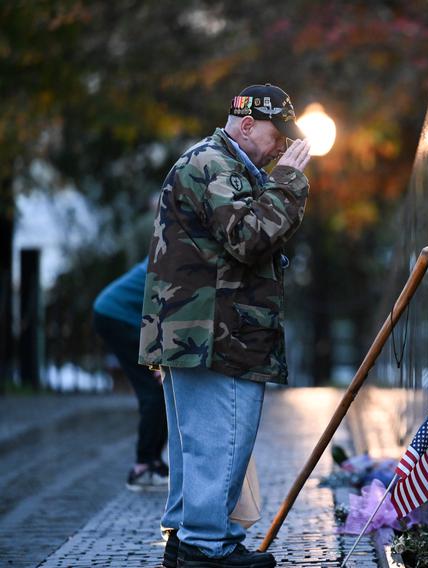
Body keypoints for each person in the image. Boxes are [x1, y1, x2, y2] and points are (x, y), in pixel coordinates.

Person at [139, 83, 312, 568]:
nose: (283, 147)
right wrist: (291, 181)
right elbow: (248, 237)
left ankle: (191, 540)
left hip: (205, 331)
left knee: (199, 444)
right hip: (216, 335)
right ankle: (206, 546)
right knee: (222, 439)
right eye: (279, 135)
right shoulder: (214, 164)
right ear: (248, 123)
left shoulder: (219, 164)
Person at [93, 257, 168, 491]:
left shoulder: (176, 242)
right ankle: (143, 467)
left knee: (163, 387)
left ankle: (152, 462)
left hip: (118, 314)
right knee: (154, 388)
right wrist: (159, 358)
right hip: (118, 316)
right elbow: (167, 309)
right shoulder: (179, 252)